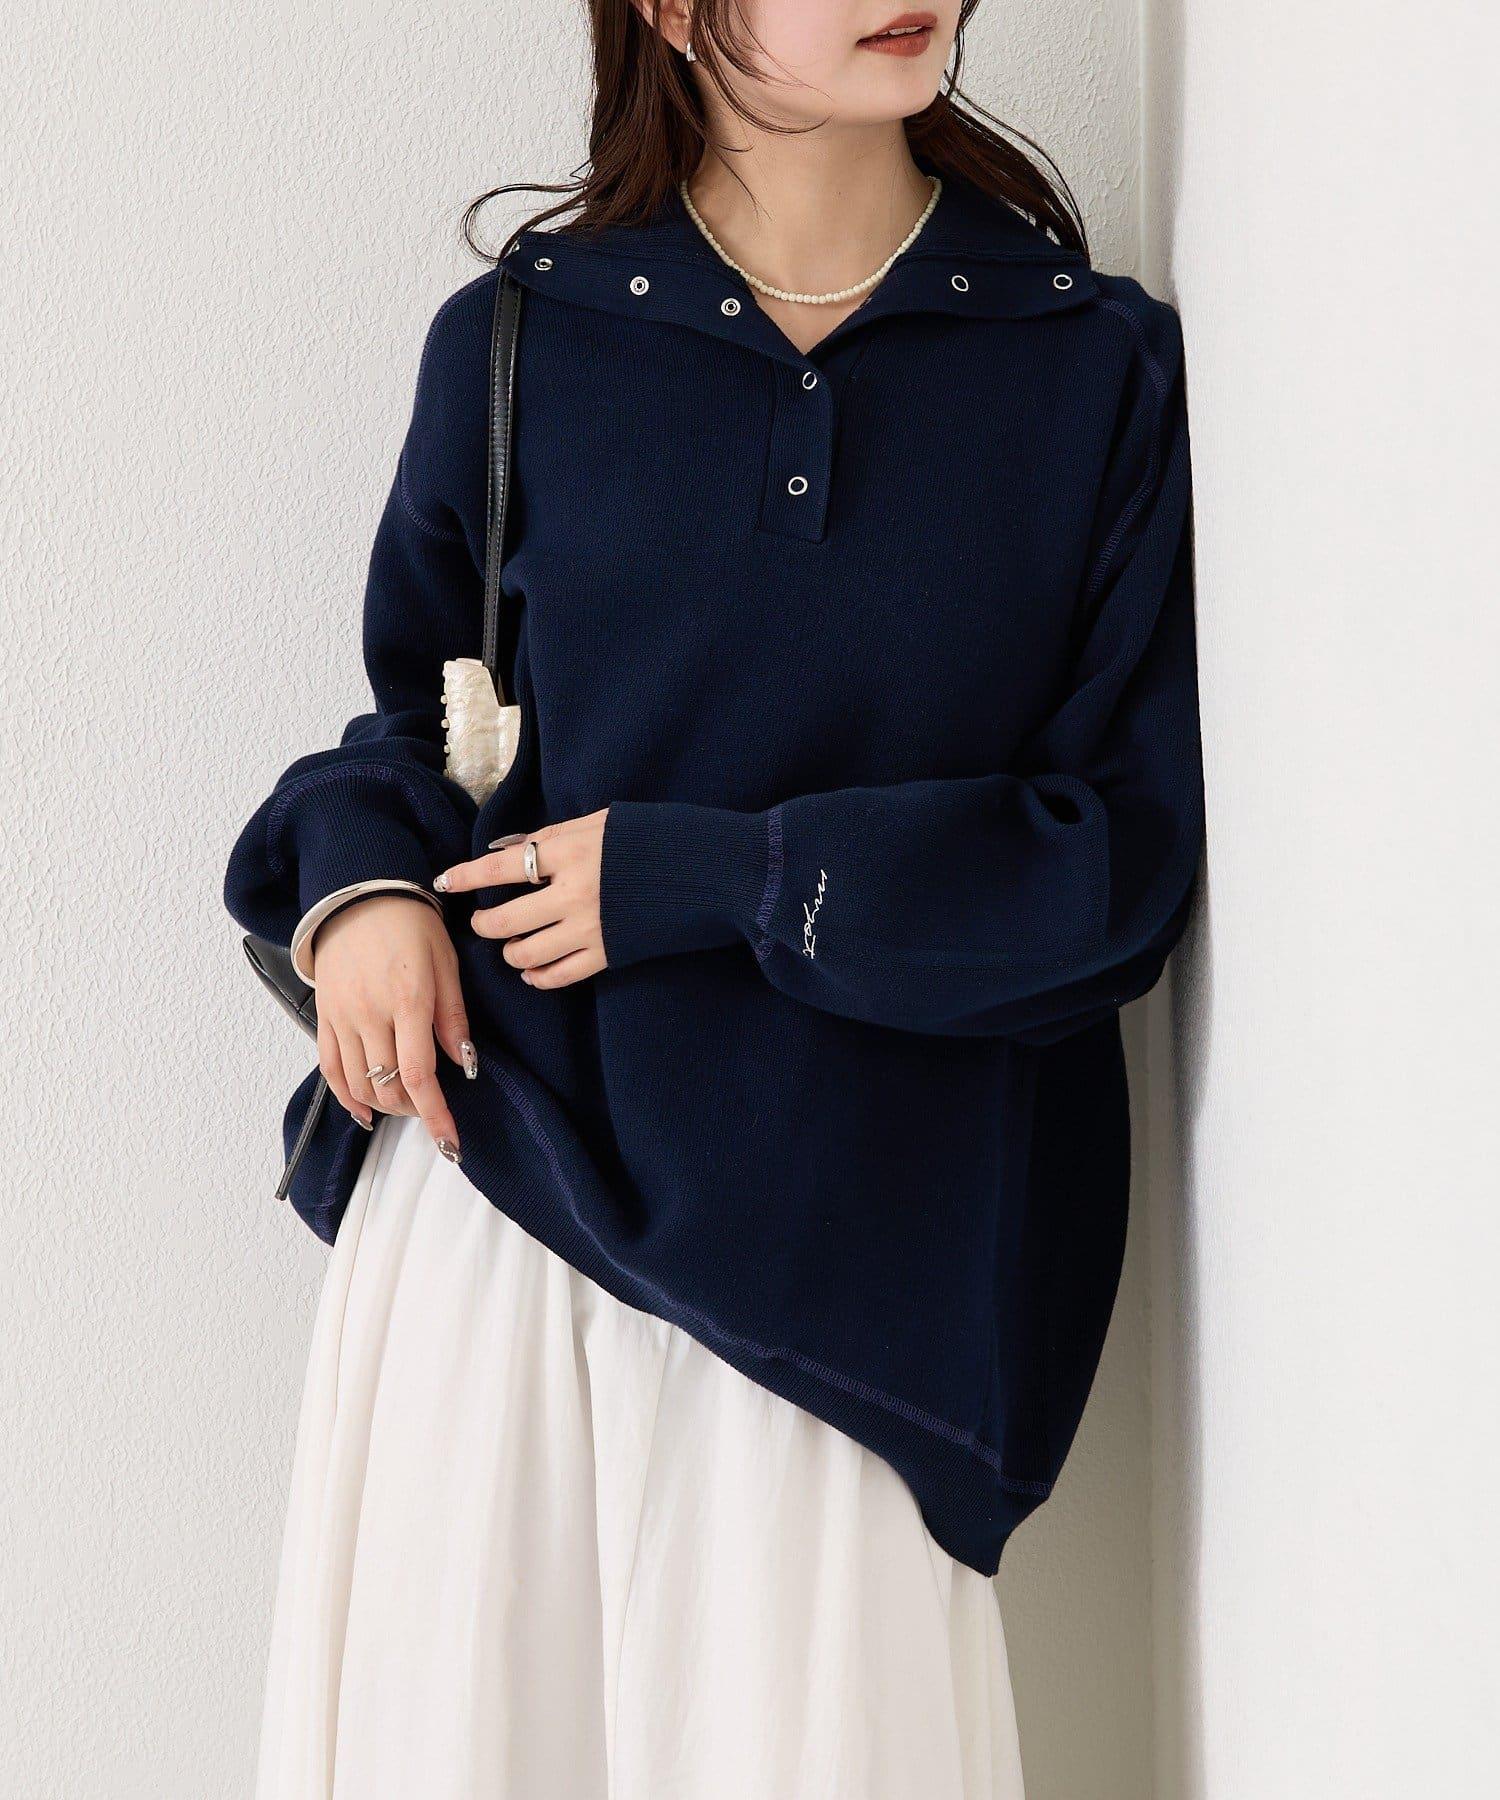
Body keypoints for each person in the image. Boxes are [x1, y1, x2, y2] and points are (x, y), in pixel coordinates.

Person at [223, 2, 1204, 1793]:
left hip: (852, 1300)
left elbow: (1114, 871)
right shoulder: (520, 339)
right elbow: (419, 729)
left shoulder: (1089, 369)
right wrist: (362, 894)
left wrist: (722, 877)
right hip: (505, 1225)